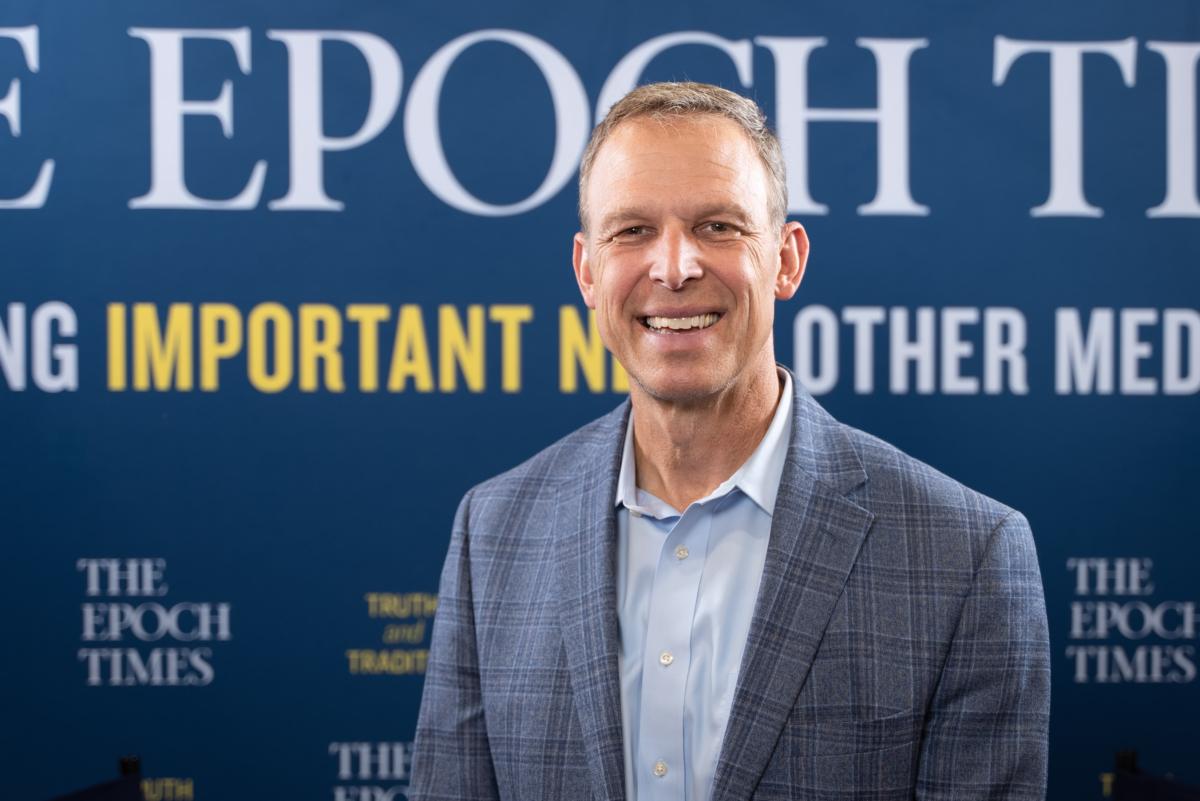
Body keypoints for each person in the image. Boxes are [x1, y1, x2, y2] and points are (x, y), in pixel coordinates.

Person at [409, 81, 1050, 801]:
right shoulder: (491, 532)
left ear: (786, 258)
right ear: (587, 271)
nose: (675, 266)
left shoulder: (968, 555)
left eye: (718, 226)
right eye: (632, 231)